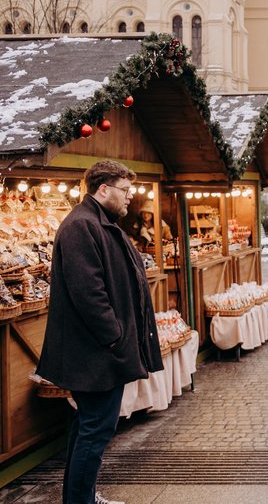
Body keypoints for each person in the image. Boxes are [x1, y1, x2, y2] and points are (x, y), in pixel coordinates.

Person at [36, 160, 163, 504]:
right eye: (125, 191)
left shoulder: (98, 222)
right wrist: (116, 337)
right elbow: (89, 293)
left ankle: (83, 496)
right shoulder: (82, 225)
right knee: (95, 430)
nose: (130, 198)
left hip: (100, 353)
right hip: (95, 354)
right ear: (103, 189)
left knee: (89, 428)